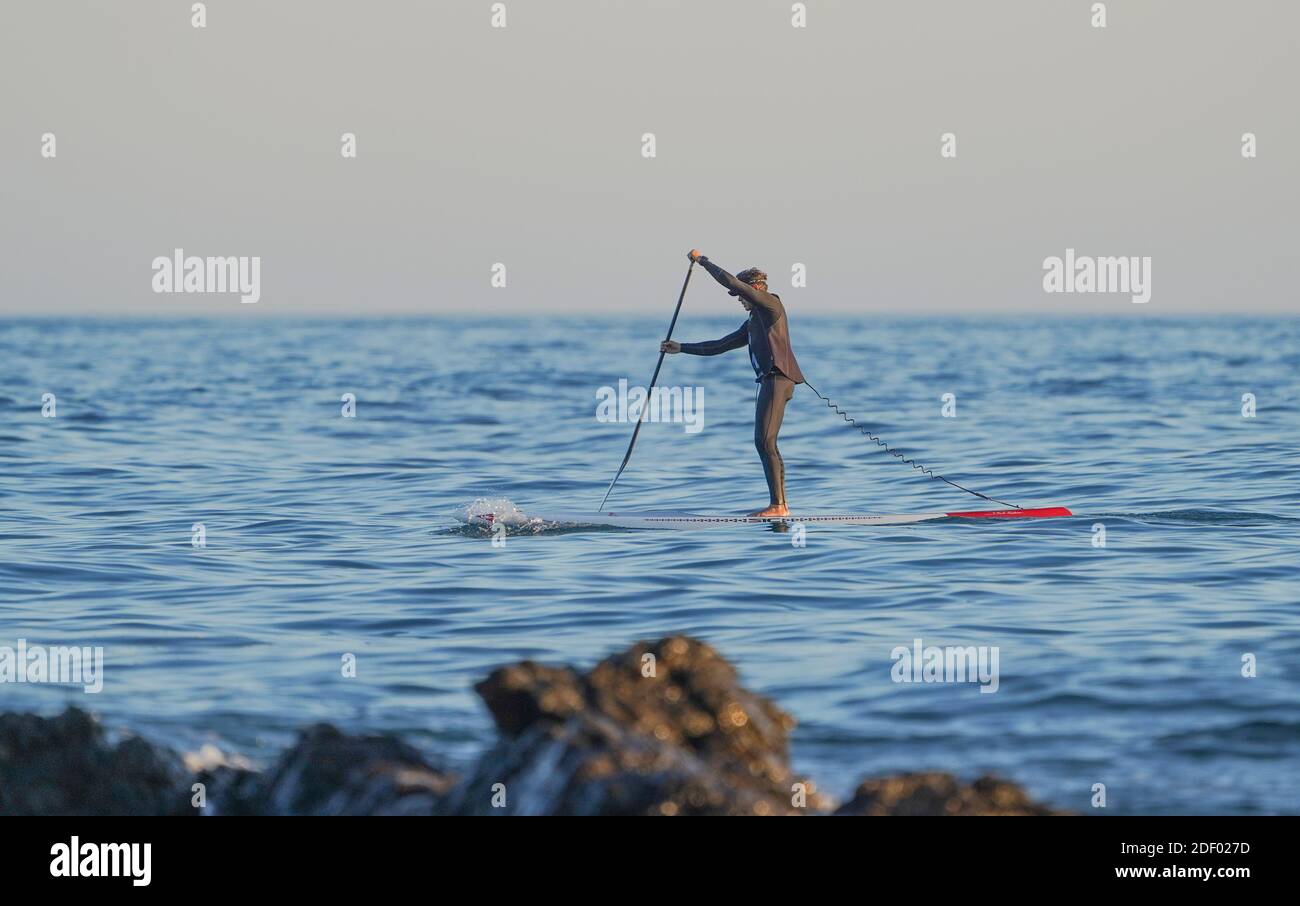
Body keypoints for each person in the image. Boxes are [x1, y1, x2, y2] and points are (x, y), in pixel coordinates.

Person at [661, 250, 805, 517]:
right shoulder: (753, 322)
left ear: (754, 290)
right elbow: (720, 345)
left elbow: (732, 282)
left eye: (742, 295)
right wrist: (681, 348)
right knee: (765, 442)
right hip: (769, 382)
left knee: (765, 441)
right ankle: (781, 504)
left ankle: (778, 506)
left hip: (777, 380)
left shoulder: (771, 305)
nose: (739, 299)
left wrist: (703, 261)